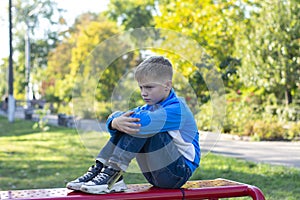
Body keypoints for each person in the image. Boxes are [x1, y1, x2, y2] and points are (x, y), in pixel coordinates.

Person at [66, 56, 201, 194]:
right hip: (153, 173)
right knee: (129, 122)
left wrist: (119, 120)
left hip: (177, 173)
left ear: (167, 85)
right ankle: (101, 169)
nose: (143, 93)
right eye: (141, 87)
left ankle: (112, 173)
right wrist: (114, 122)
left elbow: (143, 122)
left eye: (149, 87)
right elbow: (122, 122)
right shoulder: (149, 108)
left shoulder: (178, 109)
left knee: (139, 124)